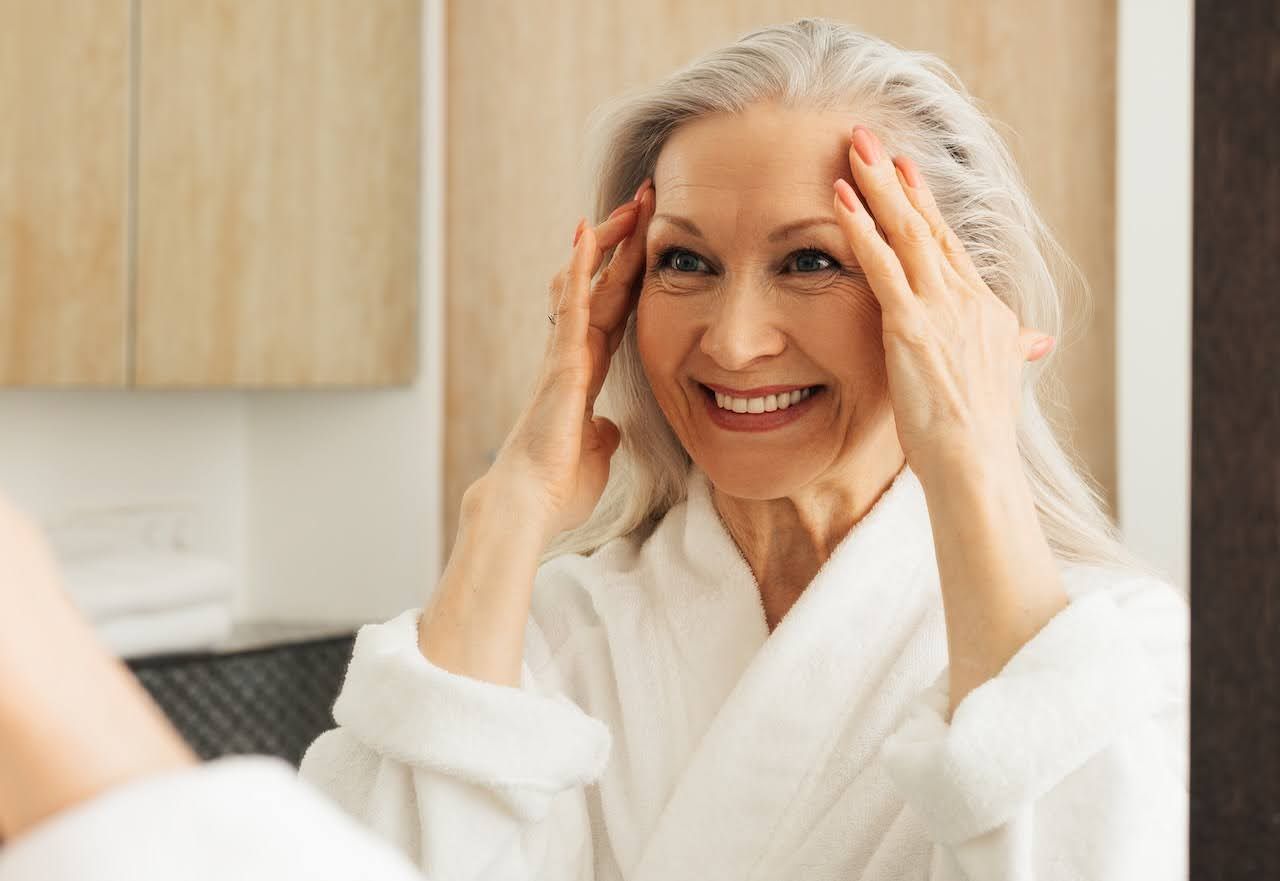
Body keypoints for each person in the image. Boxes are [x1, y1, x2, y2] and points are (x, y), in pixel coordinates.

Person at [0, 17, 1188, 881]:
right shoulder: (552, 628)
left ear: (951, 303)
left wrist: (969, 459)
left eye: (811, 260)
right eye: (683, 260)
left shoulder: (1107, 649)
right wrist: (508, 507)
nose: (730, 337)